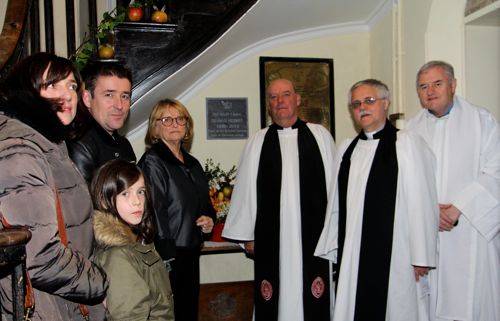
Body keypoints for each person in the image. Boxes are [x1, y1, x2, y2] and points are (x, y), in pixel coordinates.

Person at [315, 79, 439, 321]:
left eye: (369, 101)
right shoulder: (347, 149)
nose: (362, 107)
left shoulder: (406, 143)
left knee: (398, 306)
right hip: (354, 250)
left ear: (385, 103)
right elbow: (336, 206)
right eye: (356, 103)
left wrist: (421, 254)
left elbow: (423, 201)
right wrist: (334, 245)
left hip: (398, 250)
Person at [0, 52, 108, 320]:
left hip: (63, 301)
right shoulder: (20, 150)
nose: (68, 94)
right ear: (27, 89)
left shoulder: (46, 144)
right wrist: (99, 283)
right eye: (53, 85)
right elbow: (40, 258)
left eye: (72, 85)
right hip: (47, 308)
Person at [222, 78, 336, 321]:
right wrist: (248, 234)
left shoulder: (320, 136)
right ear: (269, 106)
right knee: (274, 299)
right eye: (273, 97)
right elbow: (245, 190)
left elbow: (334, 189)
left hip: (314, 238)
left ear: (297, 99)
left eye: (285, 95)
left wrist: (334, 232)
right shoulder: (258, 141)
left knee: (314, 298)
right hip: (272, 238)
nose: (280, 101)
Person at [406, 61, 500, 321]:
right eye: (423, 86)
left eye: (437, 83)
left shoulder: (482, 121)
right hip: (430, 232)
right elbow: (406, 181)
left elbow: (496, 169)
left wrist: (458, 208)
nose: (430, 91)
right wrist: (430, 212)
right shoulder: (410, 131)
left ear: (453, 85)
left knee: (473, 303)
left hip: (472, 229)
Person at [138, 98, 215, 321]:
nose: (175, 124)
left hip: (190, 249)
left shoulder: (192, 163)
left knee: (188, 311)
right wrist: (167, 256)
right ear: (155, 127)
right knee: (168, 313)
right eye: (167, 119)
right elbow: (155, 210)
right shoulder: (153, 161)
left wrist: (209, 219)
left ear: (187, 125)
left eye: (180, 119)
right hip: (168, 255)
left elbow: (205, 204)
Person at [90, 159, 175, 321]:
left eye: (141, 191)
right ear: (104, 201)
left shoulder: (138, 239)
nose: (137, 201)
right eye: (125, 193)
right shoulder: (117, 255)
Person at [68, 62, 136, 184]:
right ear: (87, 99)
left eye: (125, 96)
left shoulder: (124, 145)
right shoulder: (80, 144)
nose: (119, 105)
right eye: (109, 95)